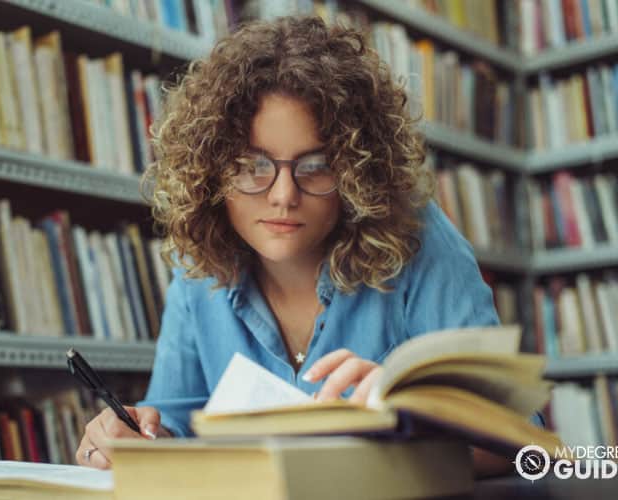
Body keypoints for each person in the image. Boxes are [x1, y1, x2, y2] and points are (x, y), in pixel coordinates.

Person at [77, 16, 538, 476]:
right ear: (212, 172)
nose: (283, 195)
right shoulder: (197, 264)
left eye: (315, 165)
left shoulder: (417, 240)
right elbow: (175, 418)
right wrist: (137, 438)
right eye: (252, 165)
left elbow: (523, 444)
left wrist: (418, 423)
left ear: (356, 172)